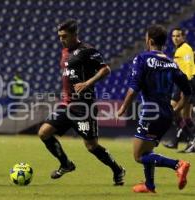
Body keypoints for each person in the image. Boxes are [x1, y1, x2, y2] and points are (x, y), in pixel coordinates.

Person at [38, 19, 125, 185]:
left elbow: (105, 69)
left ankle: (117, 169)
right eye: (59, 36)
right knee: (44, 132)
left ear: (74, 35)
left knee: (92, 146)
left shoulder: (87, 50)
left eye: (64, 36)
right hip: (67, 104)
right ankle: (66, 164)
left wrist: (87, 83)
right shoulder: (64, 51)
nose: (61, 39)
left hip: (84, 107)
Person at [117, 25, 191, 193]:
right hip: (166, 115)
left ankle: (178, 165)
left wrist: (123, 108)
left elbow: (133, 87)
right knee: (148, 149)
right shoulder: (171, 63)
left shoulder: (142, 58)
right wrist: (177, 110)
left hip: (150, 112)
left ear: (149, 40)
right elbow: (187, 92)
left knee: (139, 156)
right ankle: (149, 185)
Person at [163, 27, 195, 153]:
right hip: (180, 83)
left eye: (178, 36)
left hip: (186, 83)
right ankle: (188, 140)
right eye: (173, 36)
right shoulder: (179, 49)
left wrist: (186, 85)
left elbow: (188, 67)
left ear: (183, 37)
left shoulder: (185, 49)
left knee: (179, 113)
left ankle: (190, 139)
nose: (175, 38)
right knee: (180, 114)